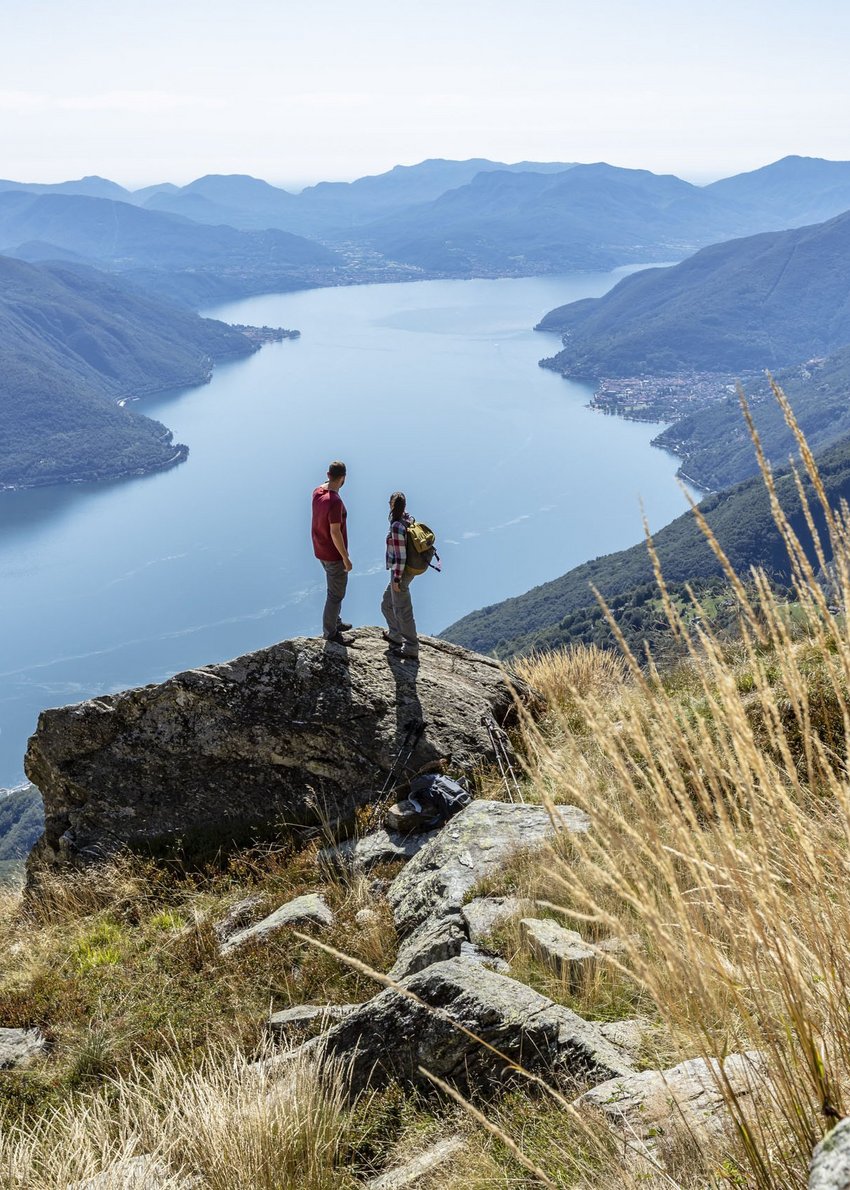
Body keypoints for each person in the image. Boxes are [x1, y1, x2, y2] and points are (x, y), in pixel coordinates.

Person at [311, 461, 353, 644]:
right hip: (333, 554)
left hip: (320, 549)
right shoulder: (335, 502)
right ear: (344, 478)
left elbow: (327, 484)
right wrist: (345, 558)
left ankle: (336, 621)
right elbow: (335, 532)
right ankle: (331, 633)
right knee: (335, 595)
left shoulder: (317, 492)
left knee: (333, 590)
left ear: (328, 475)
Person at [381, 491, 419, 659]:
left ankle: (411, 646)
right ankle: (396, 634)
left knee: (403, 609)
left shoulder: (397, 525)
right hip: (405, 571)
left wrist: (397, 578)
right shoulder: (407, 518)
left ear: (391, 504)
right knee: (387, 603)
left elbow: (401, 555)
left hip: (400, 572)